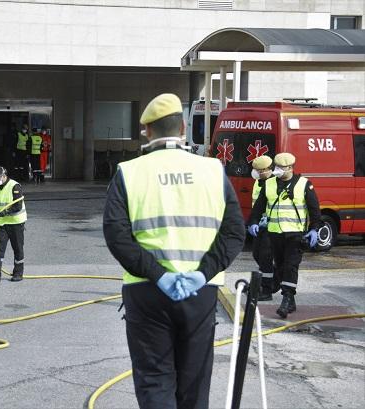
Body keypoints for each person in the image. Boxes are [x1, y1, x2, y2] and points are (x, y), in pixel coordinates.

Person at [103, 93, 245, 409]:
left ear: (147, 131)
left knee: (155, 382)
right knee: (194, 385)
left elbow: (117, 235)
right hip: (200, 293)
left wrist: (158, 275)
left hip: (147, 292)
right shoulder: (212, 170)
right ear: (183, 128)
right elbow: (234, 232)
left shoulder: (128, 172)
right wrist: (201, 273)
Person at [248, 152, 321, 318]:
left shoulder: (304, 184)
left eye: (281, 167)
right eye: (277, 166)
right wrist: (253, 222)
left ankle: (287, 299)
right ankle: (290, 300)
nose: (278, 170)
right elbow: (259, 207)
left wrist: (314, 229)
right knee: (280, 266)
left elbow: (314, 209)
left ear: (290, 168)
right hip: (275, 233)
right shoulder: (269, 184)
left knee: (290, 265)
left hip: (295, 234)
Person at [0, 166, 27, 282]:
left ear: (4, 176)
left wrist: (5, 212)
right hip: (1, 224)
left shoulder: (15, 186)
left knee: (17, 248)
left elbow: (17, 206)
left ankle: (18, 273)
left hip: (15, 224)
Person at [250, 155, 276, 300]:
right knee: (256, 254)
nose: (255, 172)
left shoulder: (273, 183)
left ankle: (267, 289)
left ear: (266, 170)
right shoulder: (258, 182)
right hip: (259, 224)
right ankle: (269, 281)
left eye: (258, 170)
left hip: (271, 225)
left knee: (265, 257)